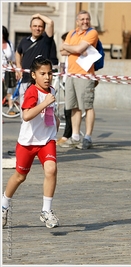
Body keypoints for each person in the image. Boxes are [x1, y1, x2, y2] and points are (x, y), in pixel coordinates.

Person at [2, 56, 60, 229]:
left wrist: (55, 119)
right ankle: (3, 205)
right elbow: (26, 115)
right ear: (34, 75)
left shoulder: (52, 91)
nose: (47, 77)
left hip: (47, 139)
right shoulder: (32, 91)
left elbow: (48, 110)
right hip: (28, 142)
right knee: (20, 176)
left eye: (50, 73)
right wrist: (45, 104)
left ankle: (46, 211)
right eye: (42, 73)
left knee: (51, 169)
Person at [60, 10, 99, 150]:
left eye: (87, 19)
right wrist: (74, 49)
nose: (85, 21)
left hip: (85, 74)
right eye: (82, 19)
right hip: (71, 74)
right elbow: (62, 50)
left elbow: (75, 48)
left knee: (87, 106)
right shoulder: (71, 33)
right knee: (74, 107)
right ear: (77, 21)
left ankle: (87, 137)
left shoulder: (92, 33)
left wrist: (70, 47)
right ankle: (75, 137)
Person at [15, 13, 57, 106]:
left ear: (43, 28)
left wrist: (38, 15)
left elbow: (50, 22)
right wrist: (18, 66)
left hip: (40, 83)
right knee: (25, 109)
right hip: (25, 79)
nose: (37, 28)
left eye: (40, 26)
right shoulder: (24, 40)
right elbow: (18, 52)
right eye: (35, 26)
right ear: (30, 27)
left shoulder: (46, 40)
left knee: (40, 110)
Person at [56, 32, 72, 147]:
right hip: (67, 80)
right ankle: (67, 134)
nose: (63, 44)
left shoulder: (73, 51)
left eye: (64, 41)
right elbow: (61, 50)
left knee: (69, 110)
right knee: (68, 109)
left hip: (72, 80)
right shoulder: (68, 52)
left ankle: (68, 135)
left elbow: (63, 49)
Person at [2, 26, 17, 115]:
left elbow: (13, 58)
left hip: (8, 70)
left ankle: (11, 108)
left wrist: (15, 69)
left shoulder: (9, 44)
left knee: (9, 91)